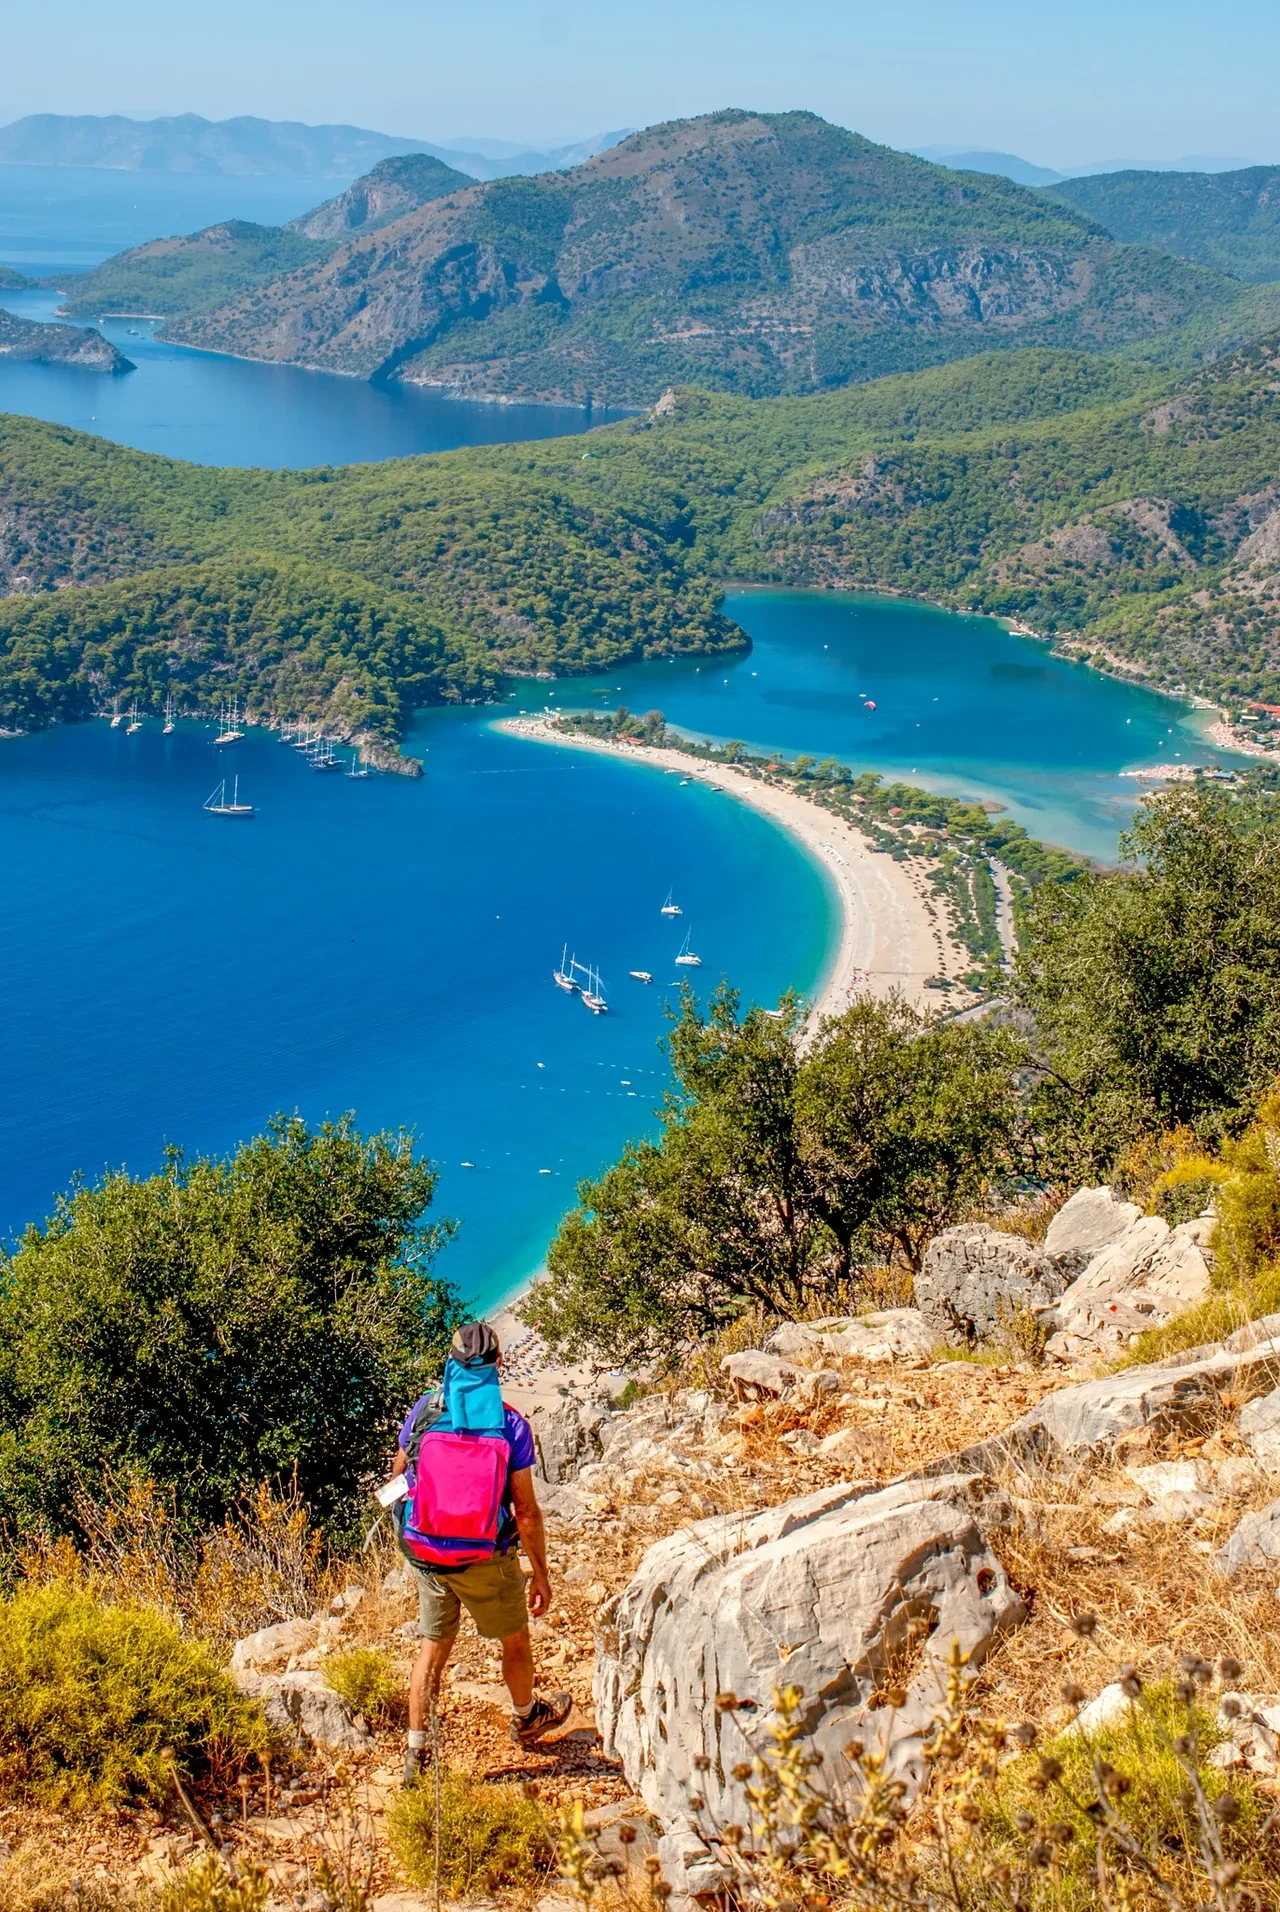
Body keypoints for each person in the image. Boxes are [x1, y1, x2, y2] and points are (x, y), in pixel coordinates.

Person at [391, 1319, 572, 1784]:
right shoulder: (510, 1423)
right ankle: (527, 1715)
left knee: (432, 1648)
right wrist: (541, 1573)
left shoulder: (425, 1410)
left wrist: (408, 1534)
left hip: (426, 1552)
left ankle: (418, 1757)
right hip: (485, 1556)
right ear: (499, 1363)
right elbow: (526, 1511)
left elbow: (400, 1476)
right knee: (514, 1639)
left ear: (451, 1362)